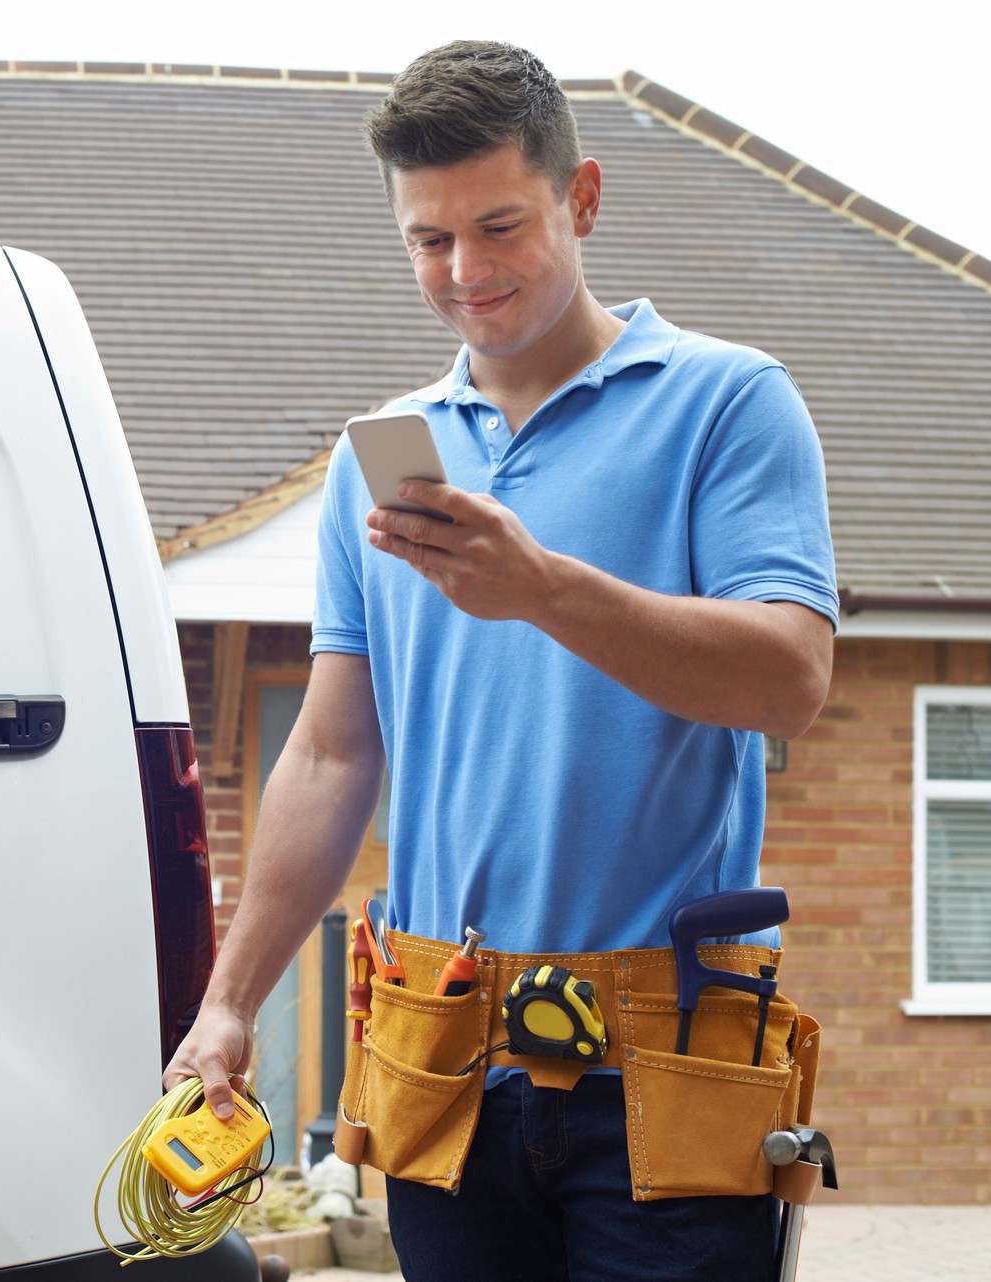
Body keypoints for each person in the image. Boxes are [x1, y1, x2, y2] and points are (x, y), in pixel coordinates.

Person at [162, 39, 839, 1282]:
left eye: (499, 226)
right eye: (429, 241)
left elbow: (789, 678)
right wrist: (230, 1000)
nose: (465, 273)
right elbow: (326, 750)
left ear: (582, 200)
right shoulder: (380, 465)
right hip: (443, 1055)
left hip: (664, 1062)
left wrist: (545, 590)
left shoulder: (729, 403)